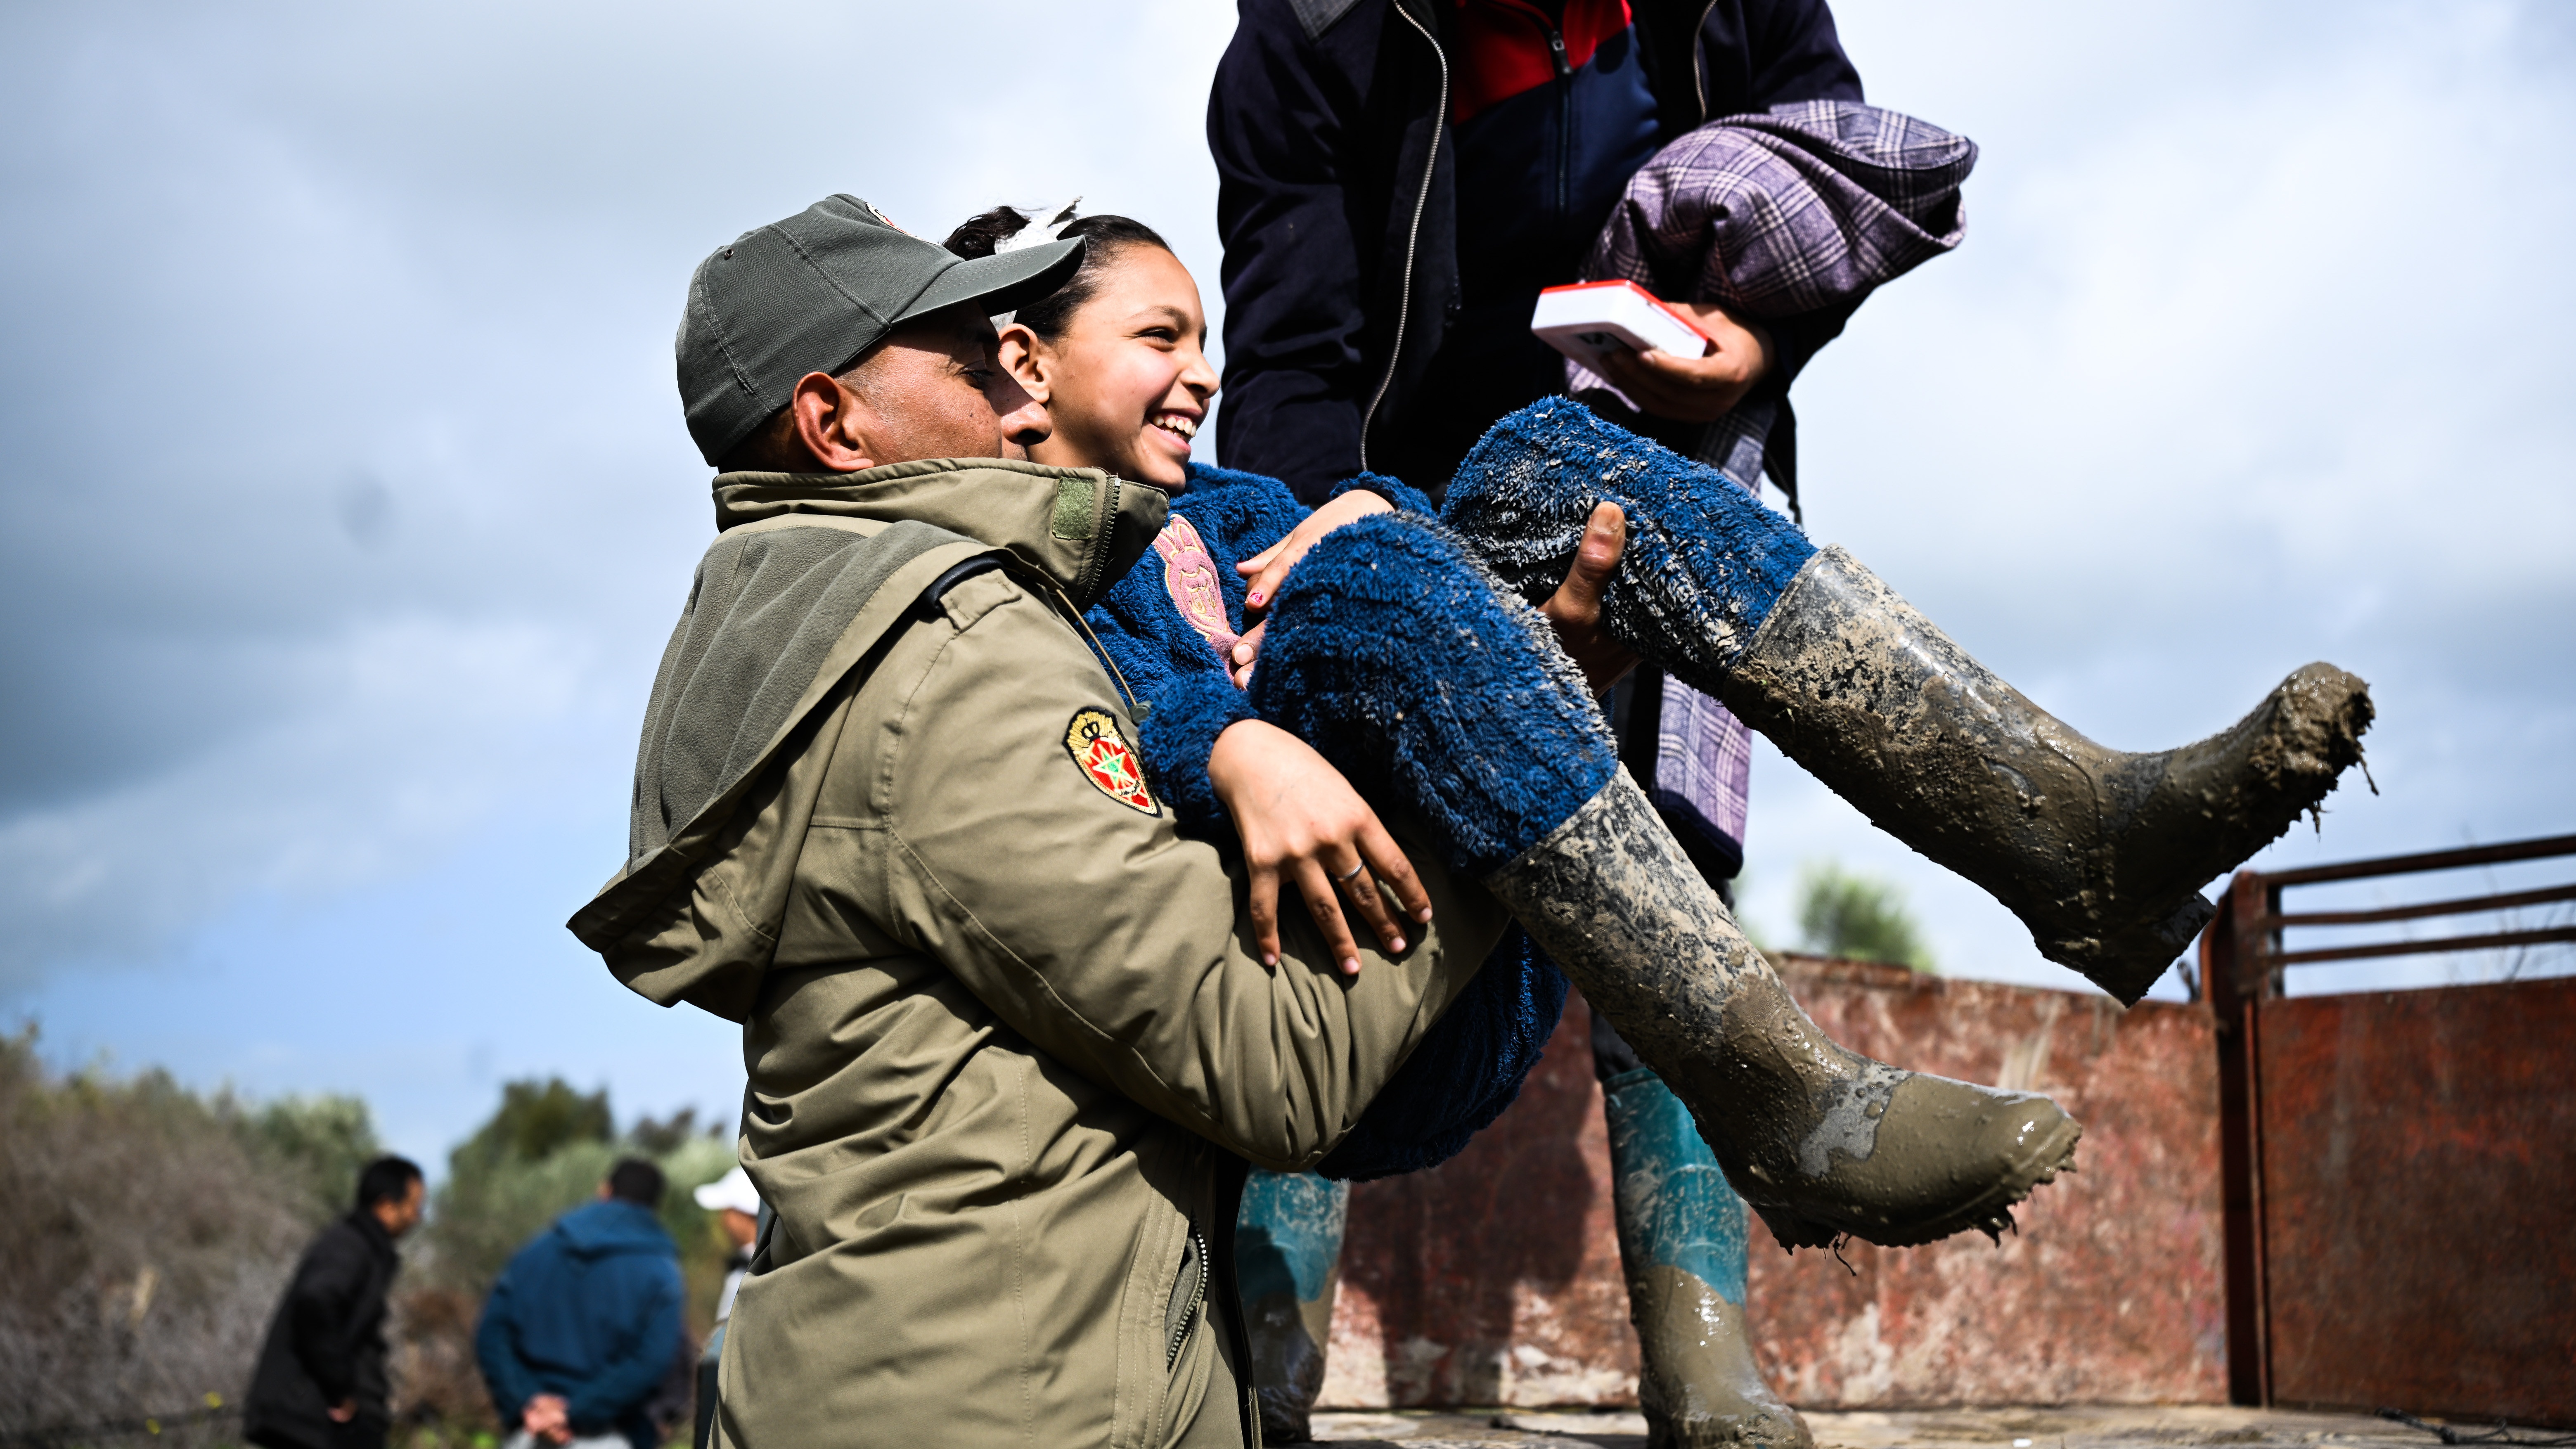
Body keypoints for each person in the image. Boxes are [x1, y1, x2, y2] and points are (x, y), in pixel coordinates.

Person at [568, 194, 2367, 1448]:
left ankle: (2065, 828)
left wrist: (1477, 628)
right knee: (1385, 583)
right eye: (1134, 340)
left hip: (1420, 966)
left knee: (1527, 470)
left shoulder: (1217, 504)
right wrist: (1234, 739)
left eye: (1204, 332)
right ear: (1018, 373)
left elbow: (1391, 588)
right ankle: (1788, 1105)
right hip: (1332, 989)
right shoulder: (996, 605)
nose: (1192, 371)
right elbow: (1140, 748)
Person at [474, 1158, 684, 1449]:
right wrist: (574, 1413)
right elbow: (651, 1359)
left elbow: (492, 1334)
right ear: (654, 1206)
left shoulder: (535, 1249)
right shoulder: (661, 1271)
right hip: (609, 1436)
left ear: (604, 1190)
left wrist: (530, 1401)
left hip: (530, 1434)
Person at [243, 1156, 425, 1449]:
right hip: (309, 1424)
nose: (418, 1218)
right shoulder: (349, 1246)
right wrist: (340, 1388)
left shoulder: (365, 1250)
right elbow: (315, 1303)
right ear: (387, 1206)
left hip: (326, 1427)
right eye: (415, 1207)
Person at [687, 1167, 761, 1449]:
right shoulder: (743, 1266)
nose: (722, 1220)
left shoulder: (755, 1272)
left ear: (743, 1216)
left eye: (727, 1210)